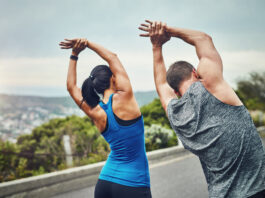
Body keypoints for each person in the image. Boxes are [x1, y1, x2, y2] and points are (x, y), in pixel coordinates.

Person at [139, 20, 265, 198]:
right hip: (258, 189)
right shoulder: (211, 86)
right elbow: (204, 39)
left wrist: (156, 46)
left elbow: (160, 84)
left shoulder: (175, 114)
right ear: (195, 72)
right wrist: (167, 31)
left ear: (175, 91)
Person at [59, 38, 152, 198]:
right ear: (113, 78)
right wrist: (86, 43)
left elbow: (71, 87)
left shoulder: (95, 110)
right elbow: (112, 57)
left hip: (104, 184)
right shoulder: (125, 97)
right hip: (133, 184)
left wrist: (75, 54)